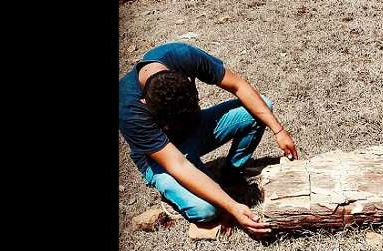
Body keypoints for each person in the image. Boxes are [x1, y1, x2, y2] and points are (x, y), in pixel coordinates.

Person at [118, 42, 298, 237]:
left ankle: (231, 173)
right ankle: (174, 193)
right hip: (161, 157)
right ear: (144, 102)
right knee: (207, 210)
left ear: (187, 79)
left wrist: (278, 130)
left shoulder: (182, 56)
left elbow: (239, 86)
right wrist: (232, 207)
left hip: (194, 129)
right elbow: (178, 164)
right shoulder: (128, 109)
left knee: (262, 108)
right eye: (167, 123)